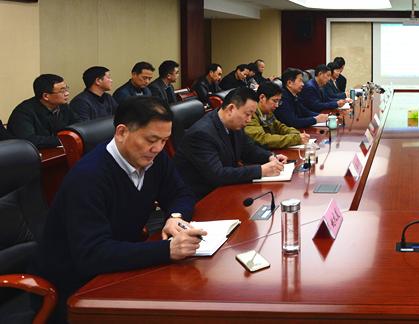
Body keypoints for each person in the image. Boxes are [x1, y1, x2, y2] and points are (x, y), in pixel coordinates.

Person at [39, 97, 203, 322]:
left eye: (164, 140)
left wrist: (175, 217)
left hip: (123, 266)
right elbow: (92, 254)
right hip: (76, 287)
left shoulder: (154, 159)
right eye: (151, 140)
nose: (158, 148)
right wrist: (167, 250)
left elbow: (181, 193)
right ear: (122, 132)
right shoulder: (88, 178)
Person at [174, 88, 289, 199]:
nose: (249, 120)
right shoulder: (201, 134)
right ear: (231, 109)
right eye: (247, 114)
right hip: (204, 197)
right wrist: (261, 171)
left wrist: (270, 157)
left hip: (226, 189)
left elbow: (248, 149)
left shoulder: (233, 125)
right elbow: (217, 174)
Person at [8, 74, 77, 148]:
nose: (67, 93)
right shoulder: (23, 112)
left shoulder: (63, 106)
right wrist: (63, 140)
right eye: (62, 91)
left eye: (66, 89)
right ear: (46, 96)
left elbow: (77, 124)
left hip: (58, 150)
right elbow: (29, 140)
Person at [245, 82, 310, 150]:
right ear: (262, 97)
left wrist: (296, 133)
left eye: (279, 101)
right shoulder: (250, 114)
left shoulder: (268, 112)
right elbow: (262, 139)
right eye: (275, 101)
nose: (277, 105)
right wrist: (295, 139)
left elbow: (280, 127)